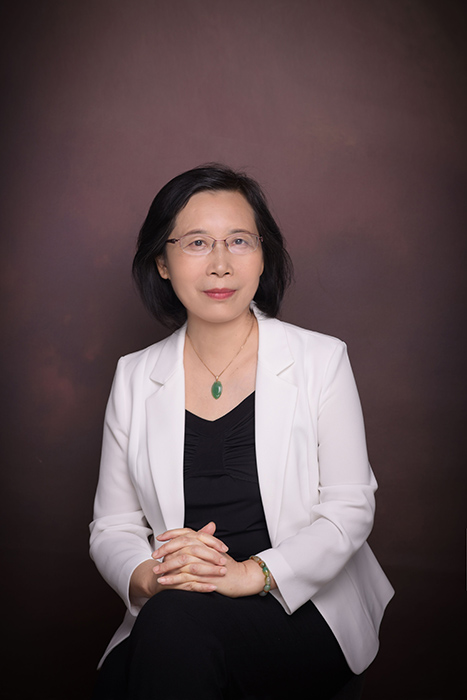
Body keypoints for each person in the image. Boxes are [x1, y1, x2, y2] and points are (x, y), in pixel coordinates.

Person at [90, 164, 394, 700]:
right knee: (157, 643)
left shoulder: (320, 359)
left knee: (164, 640)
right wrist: (152, 577)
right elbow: (113, 526)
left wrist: (251, 574)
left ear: (263, 255)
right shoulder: (135, 375)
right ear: (161, 262)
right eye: (197, 243)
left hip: (301, 602)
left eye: (238, 240)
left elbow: (349, 509)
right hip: (176, 604)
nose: (221, 264)